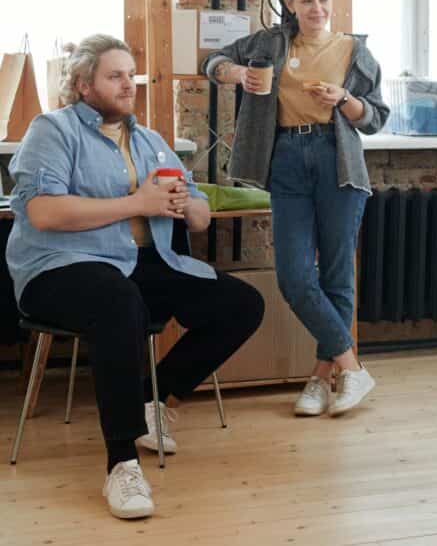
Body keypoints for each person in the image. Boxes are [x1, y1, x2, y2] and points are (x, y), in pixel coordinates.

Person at [7, 34, 264, 519]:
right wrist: (137, 204)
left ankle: (153, 398)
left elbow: (201, 214)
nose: (129, 85)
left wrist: (188, 205)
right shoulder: (52, 130)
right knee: (117, 301)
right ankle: (121, 463)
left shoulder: (149, 140)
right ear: (84, 85)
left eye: (131, 74)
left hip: (140, 265)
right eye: (115, 76)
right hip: (59, 268)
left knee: (242, 304)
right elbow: (42, 212)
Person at [204, 0, 389, 417]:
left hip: (337, 161)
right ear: (289, 2)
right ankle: (352, 366)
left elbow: (376, 118)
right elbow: (213, 60)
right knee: (294, 277)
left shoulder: (353, 50)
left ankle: (321, 379)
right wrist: (236, 74)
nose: (317, 9)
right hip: (286, 158)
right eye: (306, 1)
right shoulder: (270, 43)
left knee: (335, 277)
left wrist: (344, 99)